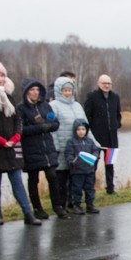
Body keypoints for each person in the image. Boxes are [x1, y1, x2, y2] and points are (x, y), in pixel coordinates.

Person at [0, 60, 41, 227]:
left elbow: (18, 120)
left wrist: (15, 138)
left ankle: (28, 213)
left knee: (17, 180)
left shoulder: (9, 96)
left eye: (2, 75)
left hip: (12, 146)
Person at [18, 79, 68, 219]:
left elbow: (56, 123)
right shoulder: (21, 108)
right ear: (26, 92)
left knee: (52, 176)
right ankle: (37, 208)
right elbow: (21, 130)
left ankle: (57, 206)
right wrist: (39, 128)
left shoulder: (45, 105)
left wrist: (48, 126)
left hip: (47, 147)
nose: (35, 92)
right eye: (32, 90)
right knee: (33, 179)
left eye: (37, 90)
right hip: (31, 148)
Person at [51, 76, 88, 208]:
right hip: (61, 148)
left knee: (75, 177)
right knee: (61, 177)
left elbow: (86, 126)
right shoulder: (54, 106)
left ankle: (73, 202)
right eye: (65, 90)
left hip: (78, 148)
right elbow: (52, 129)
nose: (68, 93)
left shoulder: (77, 106)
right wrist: (55, 146)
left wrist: (94, 143)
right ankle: (61, 203)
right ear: (59, 91)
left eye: (70, 90)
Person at [83, 73, 121, 195]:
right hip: (96, 137)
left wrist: (117, 124)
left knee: (110, 164)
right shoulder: (92, 96)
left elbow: (117, 114)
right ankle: (90, 189)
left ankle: (110, 188)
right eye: (104, 83)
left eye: (109, 83)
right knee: (93, 163)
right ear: (99, 84)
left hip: (112, 137)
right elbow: (87, 115)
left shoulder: (115, 97)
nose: (107, 85)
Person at [64, 119, 101, 214]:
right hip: (77, 170)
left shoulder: (90, 141)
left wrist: (95, 157)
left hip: (89, 169)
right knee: (77, 188)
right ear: (75, 131)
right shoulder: (71, 142)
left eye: (83, 129)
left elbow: (95, 150)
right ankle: (76, 205)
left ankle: (90, 205)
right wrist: (71, 161)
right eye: (78, 129)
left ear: (86, 130)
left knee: (90, 188)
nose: (81, 131)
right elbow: (68, 154)